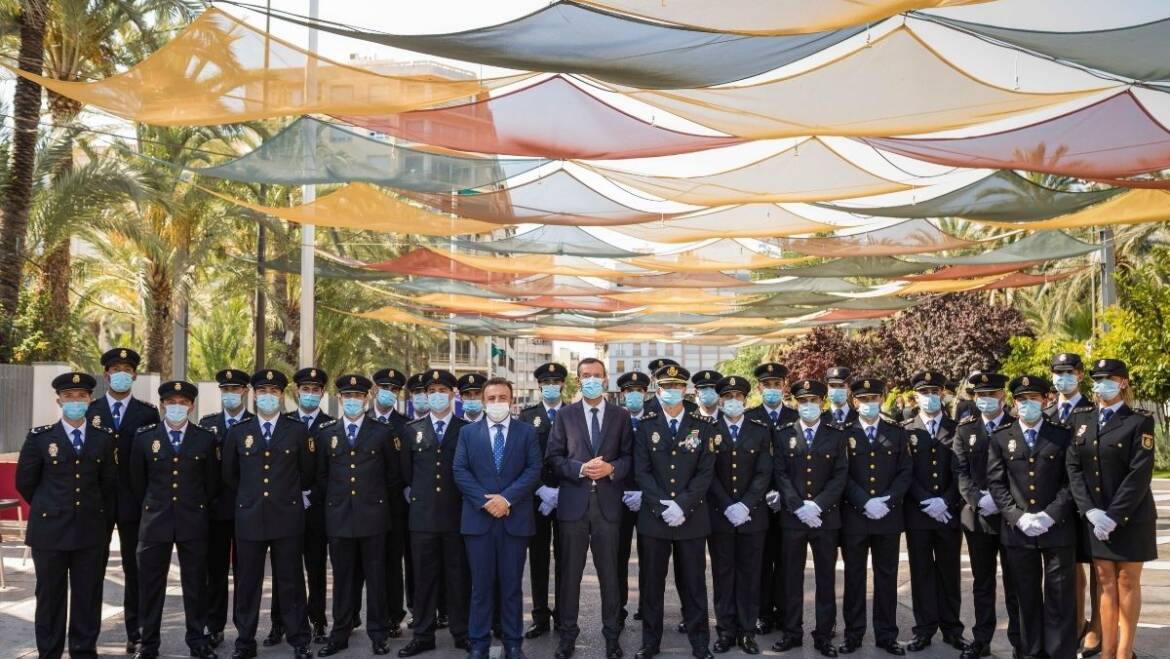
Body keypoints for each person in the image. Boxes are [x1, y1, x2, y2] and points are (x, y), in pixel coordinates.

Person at [17, 372, 117, 659]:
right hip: (49, 533)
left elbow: (108, 485)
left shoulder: (103, 439)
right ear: (59, 400)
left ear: (90, 400)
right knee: (50, 597)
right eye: (69, 396)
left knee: (88, 597)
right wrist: (51, 507)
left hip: (90, 532)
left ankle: (84, 651)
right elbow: (26, 482)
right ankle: (49, 652)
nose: (75, 401)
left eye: (81, 396)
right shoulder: (40, 438)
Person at [222, 368, 316, 659]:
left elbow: (308, 473)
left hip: (286, 517)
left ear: (282, 396)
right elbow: (229, 475)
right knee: (247, 582)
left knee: (290, 581)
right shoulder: (239, 431)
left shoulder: (297, 430)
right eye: (262, 392)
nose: (267, 397)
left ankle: (299, 639)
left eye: (273, 392)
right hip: (250, 517)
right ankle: (245, 641)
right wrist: (251, 500)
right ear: (253, 394)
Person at [1067, 359, 1157, 659]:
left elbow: (1139, 473)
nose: (1102, 384)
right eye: (1098, 378)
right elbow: (1074, 467)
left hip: (1131, 517)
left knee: (1127, 582)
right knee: (1104, 582)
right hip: (1095, 518)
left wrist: (1115, 516)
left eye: (1110, 378)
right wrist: (1090, 512)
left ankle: (1123, 651)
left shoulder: (1139, 420)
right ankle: (1106, 651)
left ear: (1123, 383)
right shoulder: (1082, 419)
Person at [546, 358, 634, 659]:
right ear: (578, 379)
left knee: (611, 575)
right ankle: (567, 635)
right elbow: (554, 458)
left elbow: (629, 458)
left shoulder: (620, 416)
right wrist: (580, 469)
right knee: (569, 576)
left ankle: (612, 636)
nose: (592, 380)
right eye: (586, 376)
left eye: (597, 375)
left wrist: (611, 468)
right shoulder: (565, 416)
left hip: (608, 508)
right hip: (573, 507)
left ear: (606, 379)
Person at [987, 375, 1077, 659]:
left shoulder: (1061, 434)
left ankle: (1059, 651)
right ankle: (1029, 650)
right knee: (1024, 596)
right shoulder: (1001, 437)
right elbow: (997, 483)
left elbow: (1070, 480)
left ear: (1045, 400)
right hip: (1018, 531)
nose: (1028, 404)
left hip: (1057, 528)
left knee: (1060, 595)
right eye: (1022, 400)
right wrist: (1017, 516)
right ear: (1014, 403)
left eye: (1034, 399)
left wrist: (1051, 515)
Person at [453, 377, 543, 659]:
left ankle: (513, 643)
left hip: (514, 520)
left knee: (512, 587)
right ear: (483, 402)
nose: (496, 403)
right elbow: (460, 471)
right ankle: (478, 644)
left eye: (502, 397)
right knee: (480, 587)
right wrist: (486, 501)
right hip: (479, 522)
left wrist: (505, 499)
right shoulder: (468, 433)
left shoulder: (526, 432)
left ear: (512, 401)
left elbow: (533, 470)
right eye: (491, 398)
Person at [130, 380, 220, 659]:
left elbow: (212, 483)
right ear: (162, 405)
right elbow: (137, 481)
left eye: (182, 403)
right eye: (171, 402)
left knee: (195, 584)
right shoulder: (145, 437)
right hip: (155, 521)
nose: (177, 407)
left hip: (193, 520)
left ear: (191, 406)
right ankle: (148, 643)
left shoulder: (205, 438)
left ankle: (197, 640)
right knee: (150, 585)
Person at [633, 364, 716, 659]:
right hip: (654, 519)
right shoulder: (646, 424)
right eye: (666, 387)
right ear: (658, 389)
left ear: (686, 390)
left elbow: (705, 472)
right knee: (652, 586)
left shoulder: (701, 425)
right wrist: (661, 505)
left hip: (691, 518)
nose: (672, 391)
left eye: (678, 386)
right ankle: (650, 643)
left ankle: (700, 643)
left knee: (693, 584)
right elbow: (641, 471)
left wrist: (682, 505)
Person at [316, 374, 402, 657]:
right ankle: (339, 634)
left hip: (373, 517)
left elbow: (392, 476)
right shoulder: (327, 432)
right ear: (340, 399)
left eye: (358, 396)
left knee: (376, 579)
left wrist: (374, 504)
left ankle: (378, 634)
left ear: (367, 399)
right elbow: (322, 476)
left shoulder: (382, 432)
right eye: (347, 396)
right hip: (339, 518)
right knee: (342, 580)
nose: (353, 401)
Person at [87, 347, 160, 654]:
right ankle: (86, 632)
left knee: (136, 569)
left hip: (133, 500)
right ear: (106, 375)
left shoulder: (147, 413)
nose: (120, 374)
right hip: (98, 503)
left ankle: (137, 631)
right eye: (114, 369)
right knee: (91, 568)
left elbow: (153, 460)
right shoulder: (91, 411)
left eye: (126, 369)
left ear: (134, 375)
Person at [398, 369, 472, 657]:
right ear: (426, 395)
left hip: (456, 516)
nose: (437, 396)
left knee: (457, 577)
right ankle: (423, 634)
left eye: (443, 390)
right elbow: (407, 472)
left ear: (453, 394)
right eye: (432, 391)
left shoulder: (465, 429)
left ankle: (461, 631)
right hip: (423, 517)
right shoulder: (412, 430)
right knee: (424, 578)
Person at [772, 379, 848, 658]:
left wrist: (817, 506)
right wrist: (797, 506)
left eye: (813, 401)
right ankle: (792, 633)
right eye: (802, 401)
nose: (808, 406)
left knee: (825, 580)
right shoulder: (783, 433)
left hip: (825, 519)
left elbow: (840, 474)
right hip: (793, 519)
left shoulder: (836, 433)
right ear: (795, 403)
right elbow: (780, 473)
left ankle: (824, 635)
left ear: (822, 403)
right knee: (791, 578)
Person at [838, 378, 910, 657]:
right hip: (855, 517)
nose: (869, 404)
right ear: (854, 402)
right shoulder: (844, 432)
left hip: (887, 517)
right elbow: (841, 473)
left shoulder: (896, 431)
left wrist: (888, 501)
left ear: (881, 399)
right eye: (863, 399)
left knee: (886, 577)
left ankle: (887, 635)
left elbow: (905, 471)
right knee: (854, 577)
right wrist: (864, 501)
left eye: (873, 399)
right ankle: (853, 634)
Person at [952, 373, 1021, 659]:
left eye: (991, 394)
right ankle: (981, 639)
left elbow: (1023, 472)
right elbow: (960, 471)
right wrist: (978, 499)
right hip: (979, 516)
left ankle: (1020, 640)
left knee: (1015, 582)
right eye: (980, 395)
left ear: (1002, 396)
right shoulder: (965, 429)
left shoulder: (1016, 425)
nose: (985, 400)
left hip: (1011, 518)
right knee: (983, 582)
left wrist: (1003, 503)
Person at [902, 371, 967, 653]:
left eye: (934, 392)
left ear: (942, 394)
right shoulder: (905, 429)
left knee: (949, 572)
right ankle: (924, 629)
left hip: (948, 514)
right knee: (921, 573)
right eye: (923, 392)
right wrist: (927, 500)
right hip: (918, 513)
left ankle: (952, 629)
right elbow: (905, 472)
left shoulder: (957, 429)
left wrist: (947, 501)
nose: (929, 397)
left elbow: (961, 471)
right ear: (916, 396)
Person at [706, 375, 772, 655]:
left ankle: (746, 632)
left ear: (745, 399)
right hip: (720, 516)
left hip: (752, 516)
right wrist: (727, 504)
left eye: (737, 397)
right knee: (723, 575)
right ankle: (725, 631)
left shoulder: (760, 430)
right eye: (727, 397)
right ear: (720, 400)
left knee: (749, 575)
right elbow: (707, 471)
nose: (733, 402)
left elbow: (764, 471)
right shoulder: (709, 429)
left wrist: (745, 505)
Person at [272, 367, 334, 646]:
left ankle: (318, 621)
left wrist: (313, 495)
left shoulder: (330, 426)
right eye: (305, 389)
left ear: (322, 393)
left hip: (316, 509)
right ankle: (279, 623)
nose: (310, 394)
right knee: (283, 569)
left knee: (316, 568)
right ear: (296, 391)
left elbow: (331, 470)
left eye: (315, 389)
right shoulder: (281, 422)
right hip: (285, 508)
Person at [1047, 352, 1101, 656]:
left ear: (1080, 376)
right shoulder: (1048, 412)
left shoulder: (1093, 410)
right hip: (1057, 504)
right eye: (1057, 372)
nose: (1062, 377)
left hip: (1088, 502)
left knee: (1097, 568)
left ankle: (1099, 627)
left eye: (1068, 372)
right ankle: (1077, 621)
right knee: (1068, 568)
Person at [199, 369, 254, 649]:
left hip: (248, 509)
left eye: (236, 389)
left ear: (245, 391)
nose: (230, 394)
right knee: (216, 572)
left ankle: (245, 629)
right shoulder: (208, 425)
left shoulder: (255, 424)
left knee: (246, 573)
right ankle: (214, 625)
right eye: (226, 389)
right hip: (217, 510)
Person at [745, 362, 796, 634]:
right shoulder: (750, 417)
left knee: (787, 560)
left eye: (777, 384)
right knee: (762, 560)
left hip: (789, 502)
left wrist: (787, 494)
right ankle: (762, 613)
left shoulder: (796, 416)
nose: (773, 389)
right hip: (759, 503)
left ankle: (785, 612)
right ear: (759, 388)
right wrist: (764, 492)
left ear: (784, 387)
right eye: (768, 385)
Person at [518, 361, 567, 639]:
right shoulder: (527, 416)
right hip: (536, 499)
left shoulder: (573, 413)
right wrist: (540, 489)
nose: (550, 387)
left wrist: (561, 490)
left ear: (562, 384)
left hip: (566, 497)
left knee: (565, 558)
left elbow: (577, 455)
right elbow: (522, 459)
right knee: (537, 559)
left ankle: (563, 615)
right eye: (546, 383)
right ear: (539, 386)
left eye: (555, 382)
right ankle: (540, 617)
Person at [369, 367, 413, 637]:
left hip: (396, 505)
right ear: (374, 390)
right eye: (384, 388)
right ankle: (359, 616)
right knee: (369, 565)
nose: (389, 393)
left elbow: (405, 467)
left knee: (393, 563)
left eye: (394, 390)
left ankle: (394, 615)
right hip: (365, 505)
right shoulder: (361, 419)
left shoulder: (404, 425)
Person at [616, 371, 650, 627]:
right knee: (619, 556)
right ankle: (618, 608)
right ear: (622, 394)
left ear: (646, 394)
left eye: (638, 390)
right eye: (629, 391)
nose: (634, 395)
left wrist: (645, 493)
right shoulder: (616, 420)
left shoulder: (654, 419)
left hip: (649, 498)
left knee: (650, 556)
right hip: (619, 497)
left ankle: (647, 607)